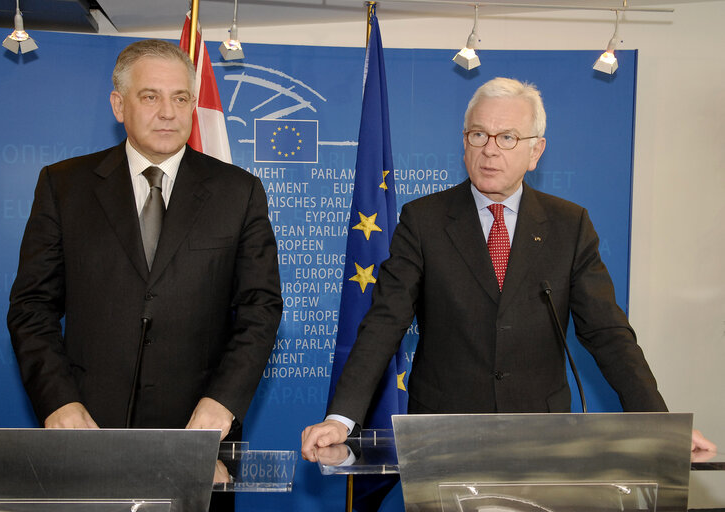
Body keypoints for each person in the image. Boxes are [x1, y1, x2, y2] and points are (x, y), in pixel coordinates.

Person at [302, 77, 715, 460]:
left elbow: (607, 332)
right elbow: (385, 322)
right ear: (464, 143)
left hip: (542, 435)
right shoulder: (423, 220)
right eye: (478, 135)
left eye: (507, 137)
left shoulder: (569, 225)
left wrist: (660, 424)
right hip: (443, 434)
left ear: (535, 151)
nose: (490, 149)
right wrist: (342, 418)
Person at [8, 39, 281, 443]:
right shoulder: (64, 186)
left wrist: (223, 400)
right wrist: (58, 401)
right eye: (150, 96)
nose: (168, 113)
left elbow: (261, 307)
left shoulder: (239, 192)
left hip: (201, 430)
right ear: (119, 106)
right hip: (85, 427)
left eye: (181, 98)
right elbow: (32, 307)